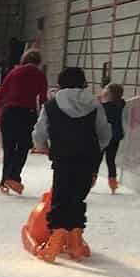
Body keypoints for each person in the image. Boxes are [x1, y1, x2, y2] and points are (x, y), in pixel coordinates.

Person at [30, 66, 112, 263]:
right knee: (77, 197)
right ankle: (75, 243)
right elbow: (104, 132)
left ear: (60, 83)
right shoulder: (94, 104)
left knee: (61, 197)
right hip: (88, 158)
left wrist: (41, 146)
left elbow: (39, 131)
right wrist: (95, 148)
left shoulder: (51, 105)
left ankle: (55, 243)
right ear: (83, 82)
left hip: (62, 157)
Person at [0, 49, 47, 194]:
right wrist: (46, 116)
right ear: (38, 61)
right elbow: (42, 99)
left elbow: (2, 92)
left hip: (9, 112)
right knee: (23, 147)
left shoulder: (14, 72)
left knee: (9, 148)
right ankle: (14, 176)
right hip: (27, 114)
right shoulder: (40, 75)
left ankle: (5, 180)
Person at [99, 83, 125, 193]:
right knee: (111, 160)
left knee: (97, 159)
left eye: (105, 89)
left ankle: (91, 181)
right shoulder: (121, 104)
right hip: (116, 136)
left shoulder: (103, 106)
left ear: (109, 93)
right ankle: (113, 184)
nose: (103, 90)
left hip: (103, 136)